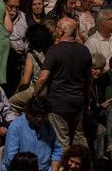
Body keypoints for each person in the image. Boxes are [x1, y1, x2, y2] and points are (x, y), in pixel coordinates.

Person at [36, 17, 92, 149]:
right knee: (79, 137)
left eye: (57, 28)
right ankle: (85, 166)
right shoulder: (84, 51)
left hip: (58, 103)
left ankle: (63, 168)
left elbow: (43, 78)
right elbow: (89, 78)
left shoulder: (54, 51)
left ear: (61, 31)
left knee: (62, 141)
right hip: (78, 101)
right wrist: (85, 97)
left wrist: (35, 95)